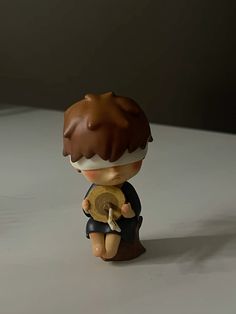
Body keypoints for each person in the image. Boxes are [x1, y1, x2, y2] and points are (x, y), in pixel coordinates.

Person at [63, 92, 152, 260]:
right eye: (100, 168)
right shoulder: (95, 189)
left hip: (121, 224)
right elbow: (89, 210)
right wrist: (86, 207)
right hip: (99, 221)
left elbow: (136, 209)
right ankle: (98, 247)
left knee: (110, 248)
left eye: (124, 164)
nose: (114, 173)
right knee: (95, 236)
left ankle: (109, 251)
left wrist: (128, 212)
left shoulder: (126, 190)